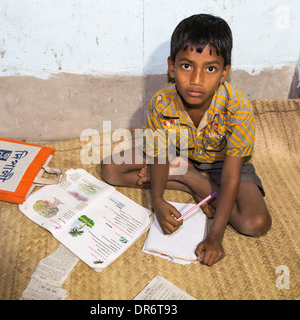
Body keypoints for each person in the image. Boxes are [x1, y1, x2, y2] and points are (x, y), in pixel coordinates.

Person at [100, 13, 271, 267]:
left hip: (224, 166)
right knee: (110, 170)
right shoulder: (161, 102)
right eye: (186, 66)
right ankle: (191, 178)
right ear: (172, 66)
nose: (197, 80)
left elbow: (232, 176)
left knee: (255, 223)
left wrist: (215, 236)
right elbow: (159, 155)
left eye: (210, 68)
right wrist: (157, 200)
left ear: (224, 72)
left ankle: (196, 182)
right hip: (178, 157)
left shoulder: (239, 109)